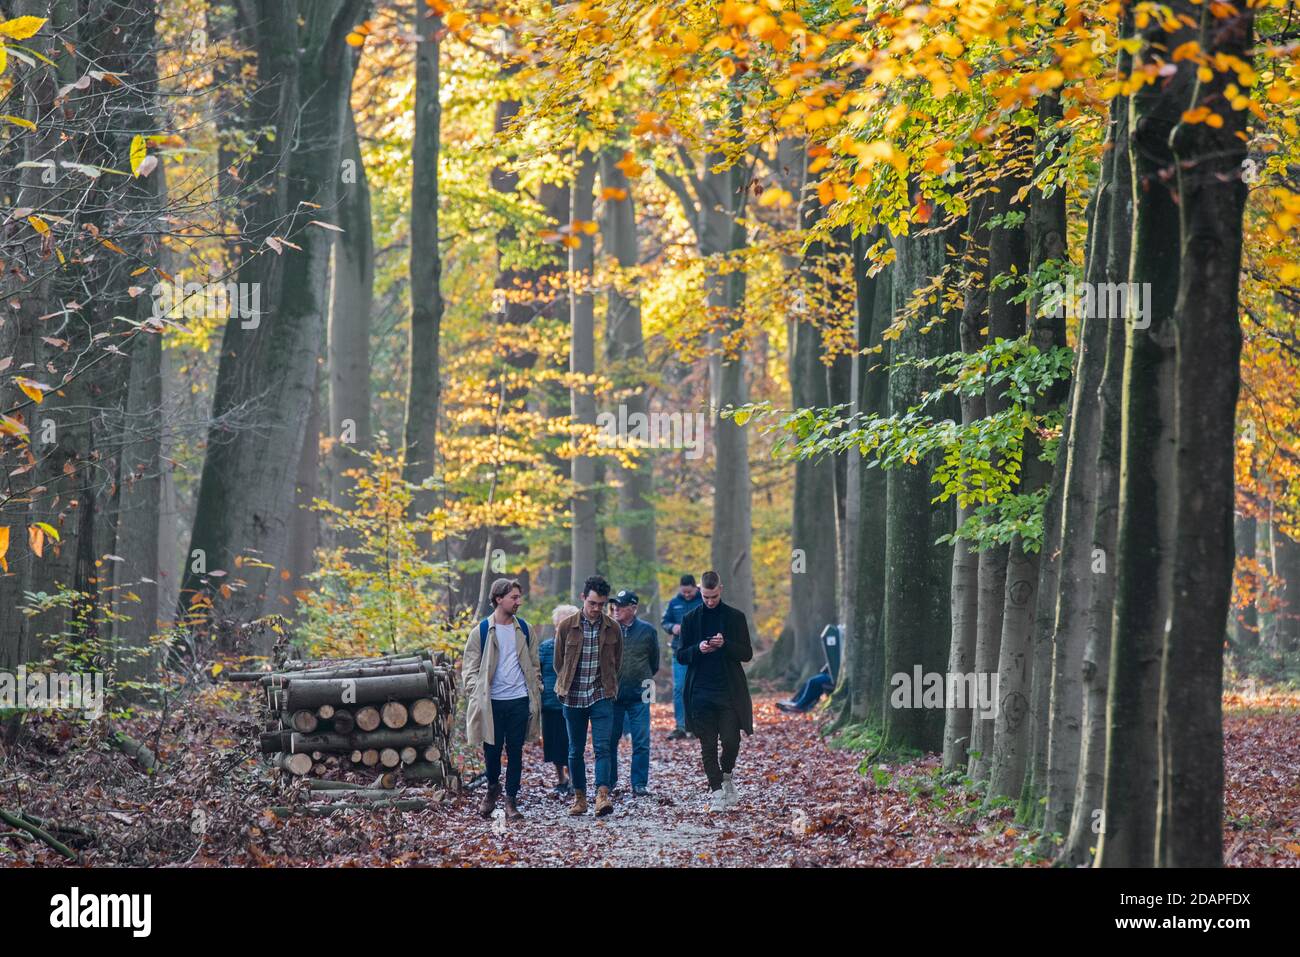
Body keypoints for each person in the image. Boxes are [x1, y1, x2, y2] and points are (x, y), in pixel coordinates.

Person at [461, 578, 541, 822]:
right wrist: (476, 691)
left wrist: (536, 686)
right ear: (498, 599)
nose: (519, 601)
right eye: (513, 597)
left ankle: (511, 800)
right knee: (492, 751)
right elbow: (469, 668)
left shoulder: (525, 629)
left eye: (519, 597)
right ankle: (493, 786)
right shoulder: (482, 632)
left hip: (518, 699)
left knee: (515, 750)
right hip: (492, 702)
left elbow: (535, 663)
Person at [676, 570, 753, 812]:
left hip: (728, 691)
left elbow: (747, 653)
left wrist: (725, 644)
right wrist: (699, 648)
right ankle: (717, 791)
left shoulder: (735, 617)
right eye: (706, 597)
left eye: (714, 597)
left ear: (721, 589)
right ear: (700, 590)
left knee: (731, 741)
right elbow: (681, 655)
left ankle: (727, 775)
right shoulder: (690, 619)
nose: (710, 601)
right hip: (699, 691)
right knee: (707, 744)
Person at [553, 575, 623, 817]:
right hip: (572, 697)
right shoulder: (566, 627)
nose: (596, 609)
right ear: (583, 598)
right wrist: (566, 684)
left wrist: (609, 685)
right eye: (592, 603)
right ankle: (579, 798)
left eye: (601, 605)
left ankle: (602, 796)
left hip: (601, 694)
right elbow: (558, 662)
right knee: (575, 750)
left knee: (603, 747)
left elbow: (617, 662)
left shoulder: (612, 628)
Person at [608, 589, 658, 796]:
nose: (616, 609)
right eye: (614, 605)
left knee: (641, 741)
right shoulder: (608, 629)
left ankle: (639, 783)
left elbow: (654, 662)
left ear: (633, 608)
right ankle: (608, 783)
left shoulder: (648, 630)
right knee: (610, 740)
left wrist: (642, 678)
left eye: (621, 605)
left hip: (642, 692)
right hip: (613, 694)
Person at [539, 604, 578, 797]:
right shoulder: (545, 647)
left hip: (572, 703)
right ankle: (560, 778)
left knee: (571, 743)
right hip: (549, 704)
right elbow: (538, 672)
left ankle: (573, 779)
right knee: (553, 744)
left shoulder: (578, 648)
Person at [661, 573, 703, 740]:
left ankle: (697, 725)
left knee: (698, 688)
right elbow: (664, 622)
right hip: (679, 651)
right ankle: (680, 725)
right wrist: (672, 628)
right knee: (679, 688)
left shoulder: (703, 600)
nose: (686, 595)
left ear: (695, 588)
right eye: (684, 592)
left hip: (700, 651)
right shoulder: (673, 602)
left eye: (689, 592)